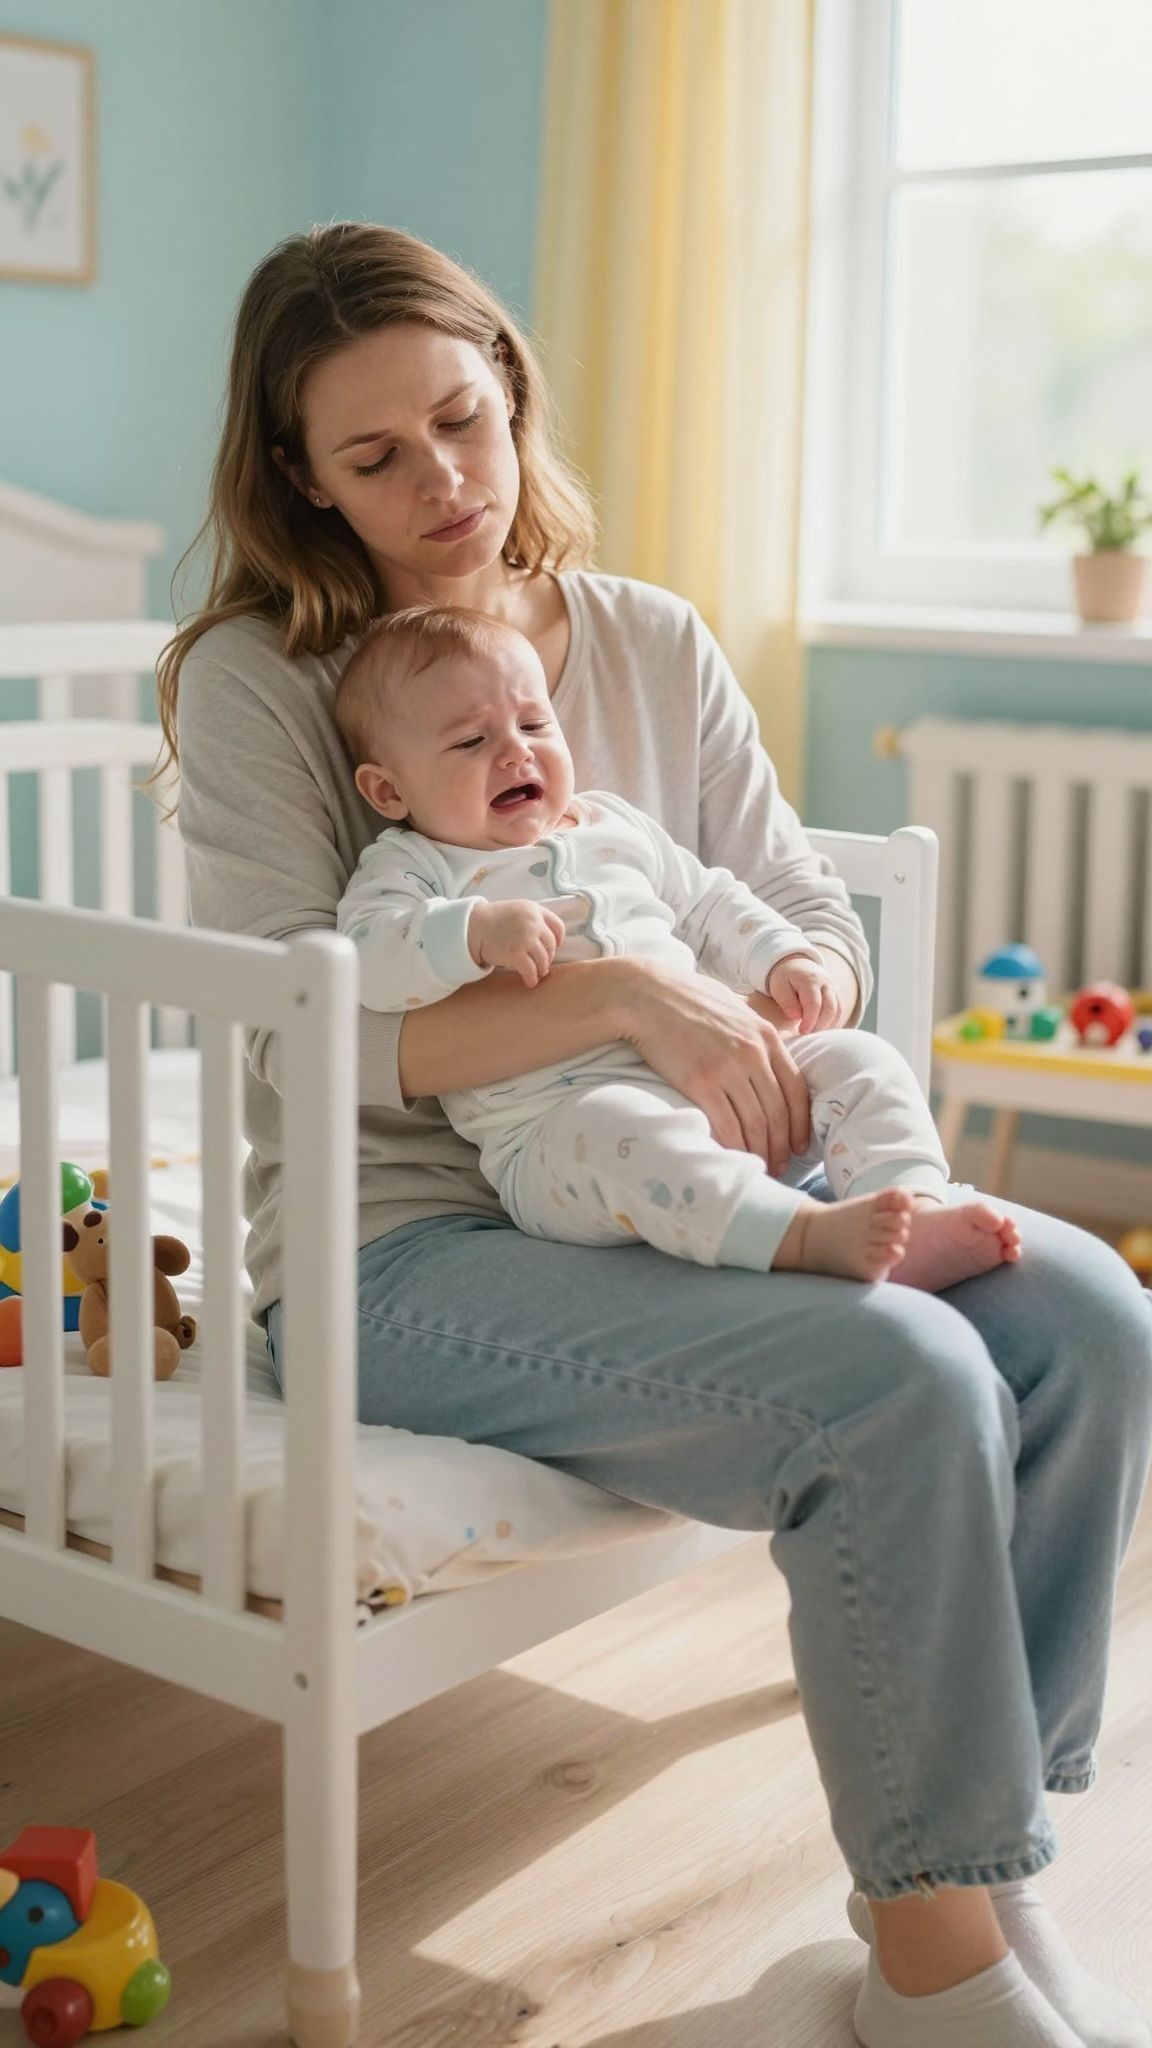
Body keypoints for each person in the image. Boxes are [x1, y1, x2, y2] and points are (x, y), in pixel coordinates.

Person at [164, 222, 1152, 2048]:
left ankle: (987, 1878)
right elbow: (301, 1039)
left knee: (1090, 1317)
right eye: (373, 456)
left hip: (689, 1191)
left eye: (462, 419)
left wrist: (774, 985)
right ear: (296, 472)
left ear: (513, 390)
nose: (442, 482)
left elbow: (802, 909)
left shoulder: (645, 640)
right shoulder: (268, 680)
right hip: (401, 1255)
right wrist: (629, 996)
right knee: (903, 1379)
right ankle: (933, 1969)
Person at [333, 602, 1021, 1293]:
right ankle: (800, 1235)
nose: (516, 751)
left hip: (719, 1089)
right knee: (620, 1130)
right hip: (556, 1141)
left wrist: (783, 957)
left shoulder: (614, 826)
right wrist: (471, 934)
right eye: (469, 743)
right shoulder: (414, 869)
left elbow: (709, 900)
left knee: (859, 1059)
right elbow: (368, 959)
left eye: (535, 724)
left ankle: (913, 1208)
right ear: (388, 789)